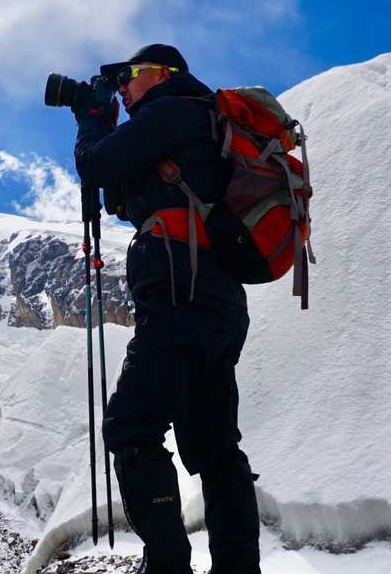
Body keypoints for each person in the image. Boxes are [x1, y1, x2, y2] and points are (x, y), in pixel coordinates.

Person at [72, 44, 260, 574]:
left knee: (132, 427)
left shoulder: (173, 109)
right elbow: (121, 193)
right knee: (215, 447)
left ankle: (168, 565)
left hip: (180, 293)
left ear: (163, 74)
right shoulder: (198, 124)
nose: (124, 87)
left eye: (130, 76)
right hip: (215, 300)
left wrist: (90, 121)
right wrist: (108, 128)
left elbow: (96, 163)